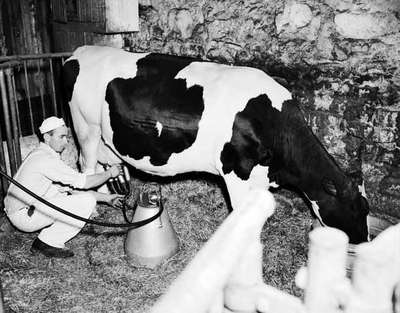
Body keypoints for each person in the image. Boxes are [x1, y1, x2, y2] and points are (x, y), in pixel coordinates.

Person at [4, 116, 124, 258]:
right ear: (47, 138)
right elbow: (84, 182)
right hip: (24, 216)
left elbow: (72, 189)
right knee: (87, 202)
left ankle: (46, 238)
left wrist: (108, 198)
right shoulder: (46, 160)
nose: (66, 142)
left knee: (64, 193)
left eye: (66, 137)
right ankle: (48, 242)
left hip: (22, 210)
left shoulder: (41, 154)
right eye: (61, 137)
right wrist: (110, 173)